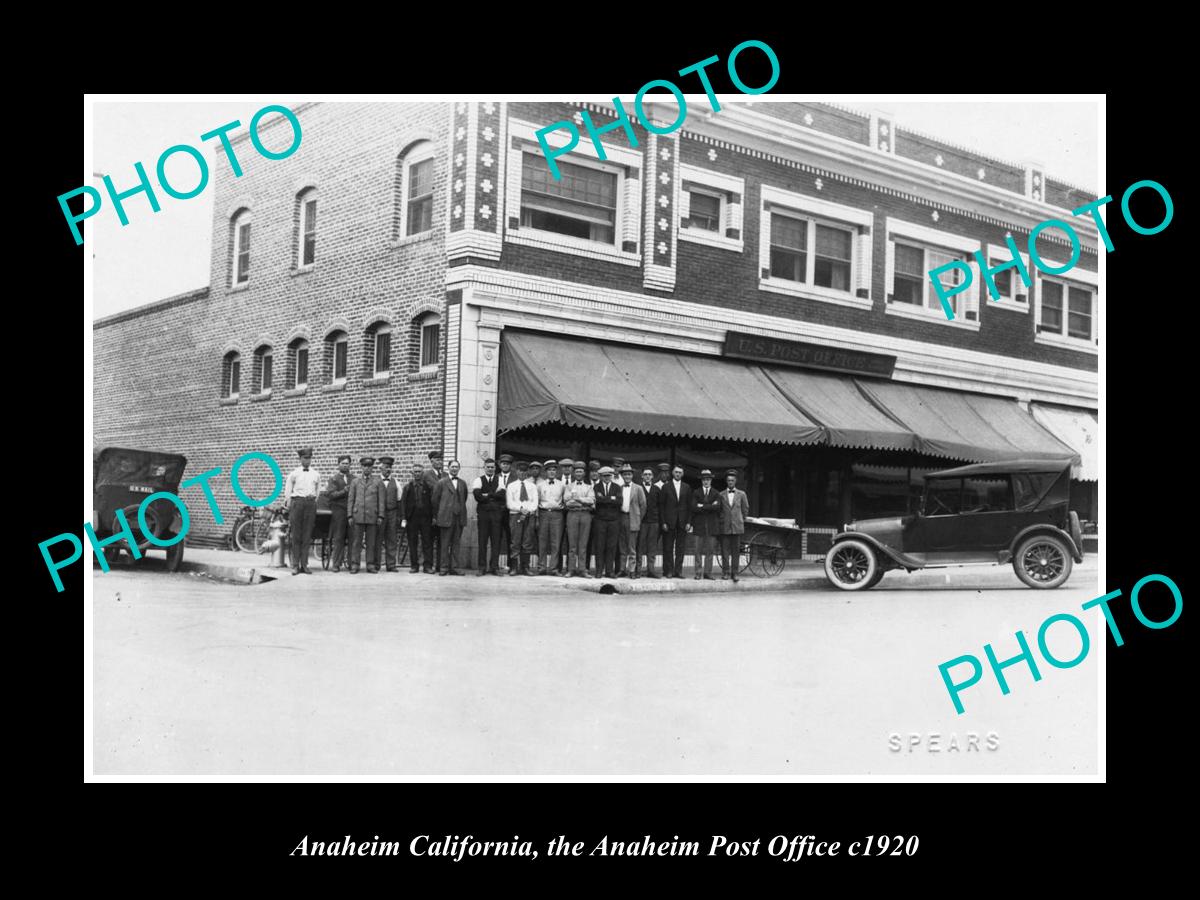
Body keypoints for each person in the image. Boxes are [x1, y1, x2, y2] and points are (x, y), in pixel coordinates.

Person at [283, 447, 320, 575]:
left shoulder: (316, 474)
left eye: (309, 458)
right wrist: (289, 503)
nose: (307, 461)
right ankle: (295, 565)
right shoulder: (294, 474)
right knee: (296, 535)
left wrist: (313, 501)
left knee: (307, 535)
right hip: (297, 503)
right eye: (305, 458)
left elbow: (318, 491)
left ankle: (304, 564)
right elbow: (288, 490)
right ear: (300, 459)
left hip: (310, 504)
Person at [348, 457, 385, 574]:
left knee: (371, 542)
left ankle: (370, 564)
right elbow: (351, 499)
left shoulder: (378, 482)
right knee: (356, 542)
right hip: (358, 515)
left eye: (369, 466)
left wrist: (380, 516)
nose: (367, 468)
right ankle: (355, 564)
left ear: (372, 468)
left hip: (372, 516)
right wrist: (349, 515)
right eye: (365, 466)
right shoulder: (355, 482)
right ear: (361, 467)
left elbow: (381, 501)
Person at [432, 459, 468, 575]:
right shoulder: (442, 482)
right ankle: (443, 568)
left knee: (456, 544)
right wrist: (439, 514)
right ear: (448, 468)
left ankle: (455, 567)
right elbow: (435, 500)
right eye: (452, 467)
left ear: (459, 469)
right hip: (445, 517)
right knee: (444, 544)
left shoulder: (462, 483)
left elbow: (464, 498)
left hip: (458, 518)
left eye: (456, 467)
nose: (454, 469)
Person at [471, 457, 506, 575]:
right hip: (483, 515)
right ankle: (482, 567)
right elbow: (477, 496)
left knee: (496, 541)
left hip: (496, 515)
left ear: (495, 468)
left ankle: (494, 567)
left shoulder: (500, 480)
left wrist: (487, 495)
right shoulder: (478, 480)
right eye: (488, 467)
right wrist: (493, 494)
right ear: (484, 468)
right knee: (482, 541)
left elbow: (502, 495)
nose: (490, 469)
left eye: (492, 467)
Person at [659, 464, 692, 578]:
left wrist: (688, 522)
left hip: (682, 522)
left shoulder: (686, 487)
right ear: (672, 473)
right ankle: (669, 571)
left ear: (682, 474)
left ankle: (678, 571)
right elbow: (661, 506)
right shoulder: (666, 487)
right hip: (669, 521)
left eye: (680, 472)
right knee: (668, 547)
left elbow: (689, 506)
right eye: (676, 472)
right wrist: (663, 522)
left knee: (680, 548)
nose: (678, 474)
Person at [506, 460, 538, 576]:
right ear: (517, 471)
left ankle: (525, 567)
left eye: (525, 471)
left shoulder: (532, 486)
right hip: (516, 515)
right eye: (520, 471)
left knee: (527, 541)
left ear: (528, 472)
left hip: (529, 515)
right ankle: (514, 567)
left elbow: (535, 502)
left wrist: (528, 510)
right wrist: (521, 509)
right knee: (515, 541)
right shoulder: (511, 486)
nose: (523, 473)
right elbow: (509, 503)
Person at [401, 460, 434, 573]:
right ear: (412, 473)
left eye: (419, 472)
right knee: (412, 542)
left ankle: (427, 566)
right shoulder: (408, 487)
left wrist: (433, 517)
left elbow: (432, 502)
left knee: (427, 542)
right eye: (415, 472)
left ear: (422, 473)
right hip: (412, 518)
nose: (417, 474)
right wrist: (404, 518)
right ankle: (414, 566)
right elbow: (403, 503)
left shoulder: (428, 486)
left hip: (425, 518)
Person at [563, 462, 595, 577]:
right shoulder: (569, 486)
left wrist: (578, 499)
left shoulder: (589, 487)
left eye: (581, 471)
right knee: (572, 544)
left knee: (583, 543)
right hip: (572, 514)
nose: (579, 473)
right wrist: (583, 501)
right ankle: (571, 569)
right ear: (574, 473)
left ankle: (582, 569)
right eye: (577, 471)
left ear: (584, 473)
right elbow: (567, 501)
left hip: (585, 515)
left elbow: (591, 500)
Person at [719, 469, 750, 583]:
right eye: (728, 480)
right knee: (725, 552)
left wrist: (740, 519)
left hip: (737, 527)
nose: (730, 482)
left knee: (736, 551)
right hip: (725, 527)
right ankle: (726, 572)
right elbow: (719, 510)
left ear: (735, 481)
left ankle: (735, 573)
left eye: (732, 480)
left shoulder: (742, 494)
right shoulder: (721, 494)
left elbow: (745, 509)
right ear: (726, 481)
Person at [536, 459, 566, 576]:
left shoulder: (562, 485)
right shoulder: (540, 485)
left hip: (557, 514)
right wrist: (537, 517)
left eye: (554, 470)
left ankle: (554, 568)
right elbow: (536, 501)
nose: (552, 472)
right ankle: (541, 567)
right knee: (542, 542)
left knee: (556, 542)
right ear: (546, 472)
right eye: (550, 470)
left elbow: (564, 500)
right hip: (543, 513)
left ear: (556, 472)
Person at [691, 469, 722, 580]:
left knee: (710, 551)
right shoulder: (696, 492)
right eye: (704, 480)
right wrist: (709, 506)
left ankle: (708, 573)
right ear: (701, 481)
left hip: (712, 526)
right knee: (697, 550)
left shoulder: (716, 493)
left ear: (711, 480)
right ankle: (698, 573)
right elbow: (694, 508)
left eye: (708, 479)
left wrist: (702, 506)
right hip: (699, 526)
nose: (706, 482)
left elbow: (717, 508)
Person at [592, 466, 621, 579]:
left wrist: (605, 498)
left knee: (611, 546)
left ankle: (609, 571)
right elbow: (597, 501)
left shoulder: (617, 487)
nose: (607, 478)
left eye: (609, 475)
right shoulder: (596, 487)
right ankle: (599, 570)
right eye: (605, 476)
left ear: (612, 476)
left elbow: (619, 502)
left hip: (614, 521)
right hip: (600, 520)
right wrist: (611, 499)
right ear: (600, 476)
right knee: (599, 545)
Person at [325, 454, 352, 573]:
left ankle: (351, 563)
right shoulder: (334, 479)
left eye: (347, 464)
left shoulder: (354, 478)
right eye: (343, 463)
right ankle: (336, 564)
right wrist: (344, 491)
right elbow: (330, 495)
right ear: (338, 465)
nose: (345, 466)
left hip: (351, 511)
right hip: (339, 511)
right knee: (338, 537)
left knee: (353, 537)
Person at [619, 464, 646, 578]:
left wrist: (638, 518)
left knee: (632, 547)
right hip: (622, 517)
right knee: (622, 546)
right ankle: (621, 569)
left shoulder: (638, 488)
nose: (627, 476)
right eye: (625, 474)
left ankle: (632, 570)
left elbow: (643, 505)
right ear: (622, 476)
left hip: (633, 518)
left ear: (632, 475)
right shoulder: (619, 488)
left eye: (629, 474)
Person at [636, 466, 661, 578]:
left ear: (653, 477)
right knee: (640, 546)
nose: (647, 476)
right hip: (642, 521)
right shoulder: (637, 488)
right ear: (642, 476)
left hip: (654, 521)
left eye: (649, 474)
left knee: (652, 546)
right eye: (645, 474)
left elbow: (660, 506)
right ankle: (638, 570)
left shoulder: (657, 489)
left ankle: (651, 569)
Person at [423, 450, 446, 570]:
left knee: (442, 541)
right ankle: (428, 565)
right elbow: (431, 491)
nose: (440, 462)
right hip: (430, 513)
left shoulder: (446, 475)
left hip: (444, 513)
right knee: (429, 541)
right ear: (431, 461)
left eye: (441, 459)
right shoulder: (426, 475)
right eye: (437, 460)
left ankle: (440, 565)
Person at [376, 456, 400, 572]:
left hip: (392, 513)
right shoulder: (375, 481)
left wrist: (399, 517)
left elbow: (399, 500)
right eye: (386, 467)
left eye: (390, 467)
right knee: (377, 539)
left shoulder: (396, 482)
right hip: (378, 515)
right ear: (380, 468)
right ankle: (376, 564)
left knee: (391, 539)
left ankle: (391, 565)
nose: (388, 470)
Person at [496, 453, 514, 571]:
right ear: (500, 465)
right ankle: (494, 564)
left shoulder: (515, 478)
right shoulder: (495, 477)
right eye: (503, 463)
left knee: (511, 538)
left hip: (511, 512)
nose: (505, 466)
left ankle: (511, 565)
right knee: (496, 537)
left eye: (507, 464)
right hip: (497, 512)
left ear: (510, 465)